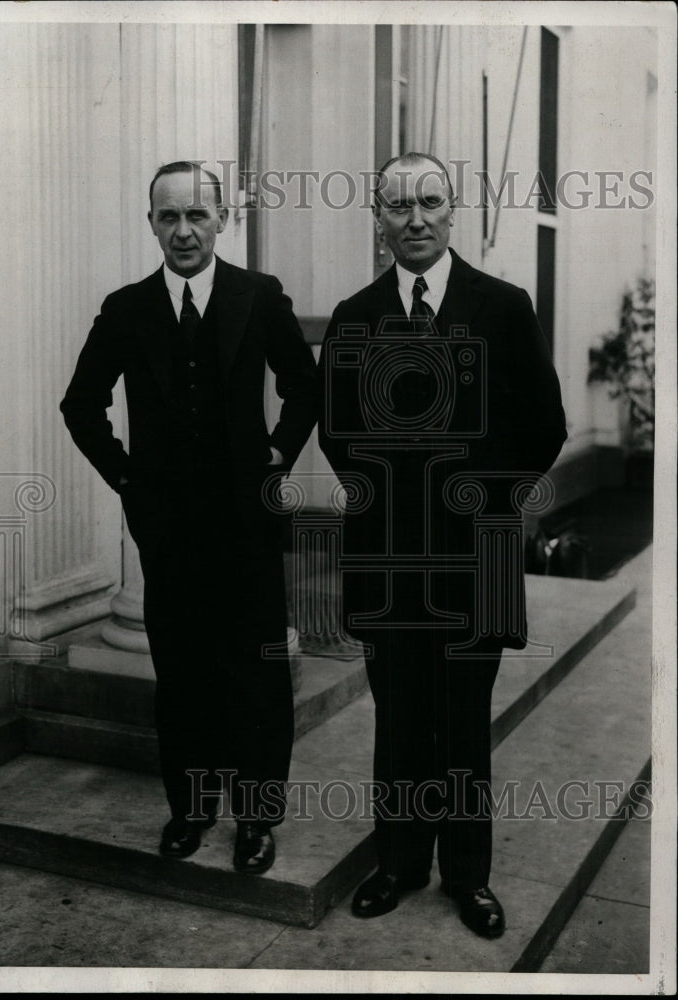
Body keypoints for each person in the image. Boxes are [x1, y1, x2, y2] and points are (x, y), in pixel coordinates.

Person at [318, 152, 567, 936]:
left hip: (479, 557)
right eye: (398, 206)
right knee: (398, 720)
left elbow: (544, 427)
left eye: (429, 201)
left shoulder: (502, 306)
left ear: (452, 209)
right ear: (378, 219)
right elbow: (338, 434)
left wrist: (476, 495)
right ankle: (397, 863)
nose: (415, 218)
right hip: (390, 560)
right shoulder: (355, 316)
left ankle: (468, 877)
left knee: (463, 720)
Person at [61, 160, 317, 875]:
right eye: (168, 217)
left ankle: (257, 821)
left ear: (221, 220)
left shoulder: (257, 296)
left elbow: (306, 388)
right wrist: (128, 478)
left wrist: (278, 451)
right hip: (169, 531)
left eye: (196, 216)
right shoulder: (126, 308)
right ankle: (193, 808)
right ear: (151, 224)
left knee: (257, 675)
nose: (183, 231)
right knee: (182, 672)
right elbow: (81, 405)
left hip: (250, 526)